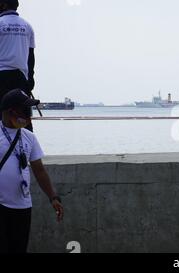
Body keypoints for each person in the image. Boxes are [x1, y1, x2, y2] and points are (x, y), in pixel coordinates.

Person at [0, 89, 63, 253]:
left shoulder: (29, 136)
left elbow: (39, 170)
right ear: (9, 111)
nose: (28, 115)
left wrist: (53, 197)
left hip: (22, 206)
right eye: (25, 110)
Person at [0, 0, 37, 132]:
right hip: (21, 77)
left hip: (2, 74)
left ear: (3, 5)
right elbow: (31, 56)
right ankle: (28, 147)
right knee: (23, 115)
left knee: (2, 115)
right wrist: (30, 79)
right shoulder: (27, 26)